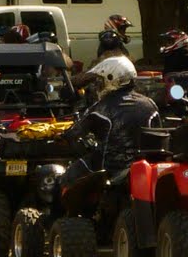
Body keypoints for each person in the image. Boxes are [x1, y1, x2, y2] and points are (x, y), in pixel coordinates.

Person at [58, 55, 159, 194]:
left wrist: (64, 137)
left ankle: (56, 214)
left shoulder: (102, 107)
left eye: (102, 79)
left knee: (65, 179)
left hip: (110, 168)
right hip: (144, 167)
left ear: (112, 78)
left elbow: (72, 134)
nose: (99, 84)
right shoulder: (150, 104)